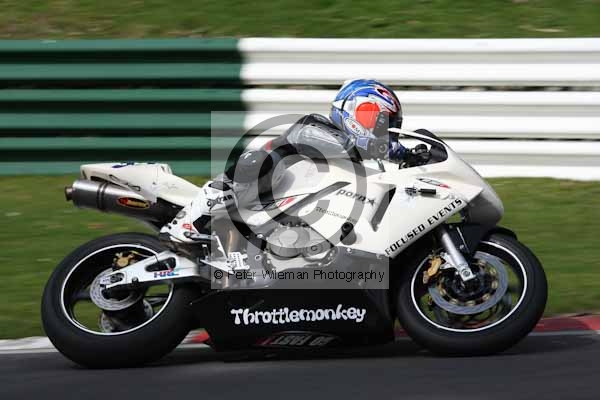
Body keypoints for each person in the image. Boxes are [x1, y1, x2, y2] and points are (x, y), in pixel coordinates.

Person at [160, 79, 408, 244]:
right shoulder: (316, 126)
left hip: (284, 216)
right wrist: (394, 150)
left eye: (387, 124)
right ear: (350, 109)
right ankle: (190, 221)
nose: (380, 128)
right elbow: (344, 144)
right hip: (257, 192)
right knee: (262, 163)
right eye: (376, 118)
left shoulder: (357, 161)